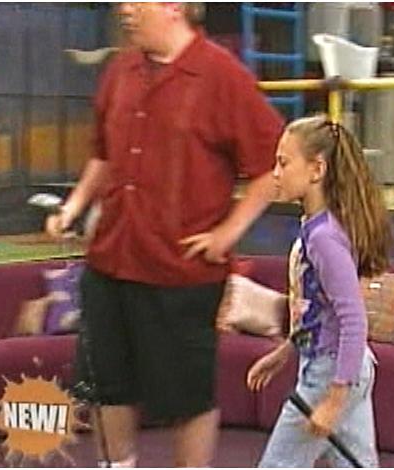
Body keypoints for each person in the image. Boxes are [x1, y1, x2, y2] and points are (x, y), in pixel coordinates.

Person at [46, 3, 283, 467]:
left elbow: (272, 167)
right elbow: (103, 154)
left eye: (138, 1)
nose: (125, 10)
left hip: (181, 273)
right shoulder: (121, 70)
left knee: (187, 396)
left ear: (175, 6)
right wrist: (73, 206)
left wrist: (227, 233)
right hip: (110, 260)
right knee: (106, 384)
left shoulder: (222, 77)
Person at [247, 116, 394, 467]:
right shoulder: (316, 228)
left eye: (283, 163)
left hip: (332, 373)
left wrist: (334, 398)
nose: (276, 173)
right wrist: (286, 350)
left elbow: (353, 319)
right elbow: (318, 312)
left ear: (317, 169)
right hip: (341, 366)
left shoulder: (324, 238)